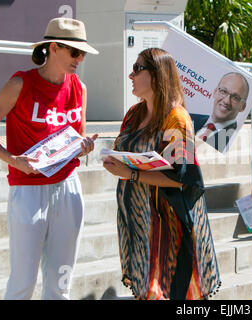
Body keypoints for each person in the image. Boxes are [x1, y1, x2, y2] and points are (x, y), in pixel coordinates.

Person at [0, 17, 99, 300]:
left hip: (68, 187)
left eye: (83, 53)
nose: (80, 58)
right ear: (53, 47)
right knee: (23, 282)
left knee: (61, 283)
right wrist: (12, 159)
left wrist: (84, 146)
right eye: (74, 52)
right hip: (27, 190)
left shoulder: (80, 88)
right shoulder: (20, 83)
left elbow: (77, 139)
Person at [102, 48, 221, 300]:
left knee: (164, 292)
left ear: (156, 75)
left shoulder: (175, 119)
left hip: (167, 221)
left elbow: (181, 178)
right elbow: (120, 151)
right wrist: (113, 162)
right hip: (138, 218)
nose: (130, 75)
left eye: (137, 69)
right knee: (145, 290)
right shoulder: (134, 114)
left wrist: (131, 174)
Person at [190, 72, 249, 152]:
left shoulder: (234, 142)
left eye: (235, 98)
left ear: (243, 107)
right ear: (215, 92)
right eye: (223, 91)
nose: (226, 101)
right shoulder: (189, 118)